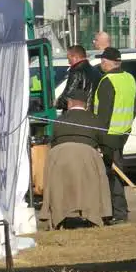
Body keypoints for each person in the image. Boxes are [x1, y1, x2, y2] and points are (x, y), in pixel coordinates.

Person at [38, 87, 113, 230]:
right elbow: (105, 145)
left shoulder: (59, 120)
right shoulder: (95, 120)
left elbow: (52, 142)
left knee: (60, 182)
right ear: (86, 104)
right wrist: (106, 159)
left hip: (60, 160)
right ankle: (98, 215)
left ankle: (59, 217)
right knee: (98, 172)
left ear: (70, 103)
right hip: (87, 158)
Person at [91, 47, 136, 224]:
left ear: (111, 62)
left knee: (112, 176)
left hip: (108, 135)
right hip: (122, 133)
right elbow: (134, 107)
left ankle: (118, 213)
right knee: (114, 173)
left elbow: (104, 114)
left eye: (104, 60)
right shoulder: (129, 78)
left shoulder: (107, 81)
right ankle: (116, 211)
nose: (102, 63)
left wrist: (98, 138)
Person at [56, 45, 99, 113]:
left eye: (69, 58)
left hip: (77, 113)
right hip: (92, 114)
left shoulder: (76, 72)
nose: (68, 62)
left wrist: (57, 103)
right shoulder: (96, 72)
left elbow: (68, 97)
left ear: (75, 57)